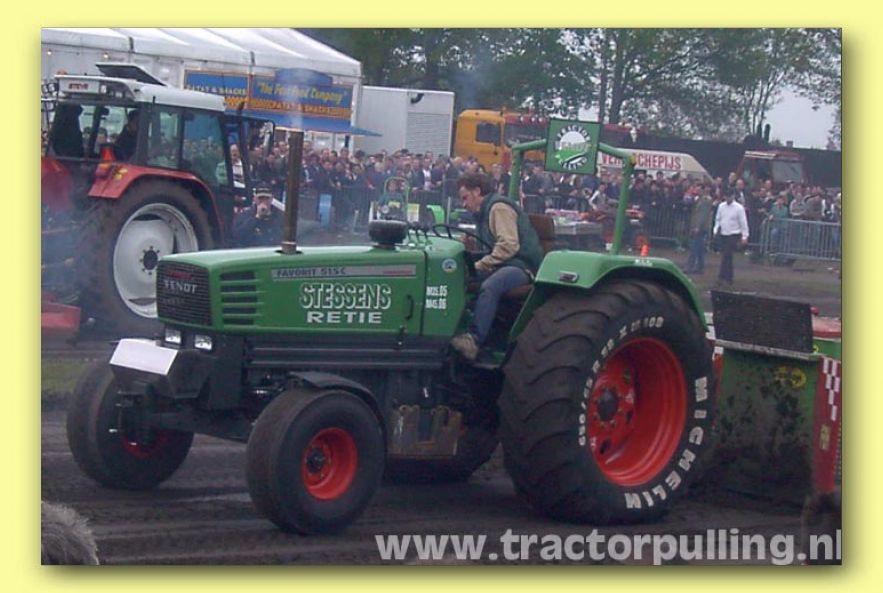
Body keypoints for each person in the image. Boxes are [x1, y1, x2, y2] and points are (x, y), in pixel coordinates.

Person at [450, 173, 544, 362]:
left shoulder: (498, 208)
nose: (464, 204)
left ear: (477, 191)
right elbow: (492, 247)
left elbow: (509, 246)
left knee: (490, 286)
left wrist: (479, 265)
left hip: (520, 265)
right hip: (503, 264)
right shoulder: (483, 214)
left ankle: (473, 340)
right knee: (456, 277)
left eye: (465, 198)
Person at [712, 191, 750, 287]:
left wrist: (745, 236)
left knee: (726, 255)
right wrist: (715, 230)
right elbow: (718, 219)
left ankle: (721, 277)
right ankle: (728, 278)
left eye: (729, 196)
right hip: (723, 234)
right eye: (726, 196)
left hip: (734, 234)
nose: (728, 198)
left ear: (733, 196)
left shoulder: (739, 208)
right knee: (727, 257)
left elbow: (743, 222)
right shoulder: (721, 206)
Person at [233, 183, 282, 247]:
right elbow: (237, 236)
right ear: (255, 199)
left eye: (266, 198)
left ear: (271, 199)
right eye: (260, 198)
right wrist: (257, 217)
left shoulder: (280, 217)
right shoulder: (245, 215)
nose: (263, 201)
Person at [685, 183, 714, 274]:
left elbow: (703, 215)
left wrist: (698, 226)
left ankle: (690, 266)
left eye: (699, 189)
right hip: (698, 226)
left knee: (694, 247)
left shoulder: (705, 200)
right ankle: (700, 267)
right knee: (700, 248)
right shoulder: (698, 199)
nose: (697, 191)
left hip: (700, 227)